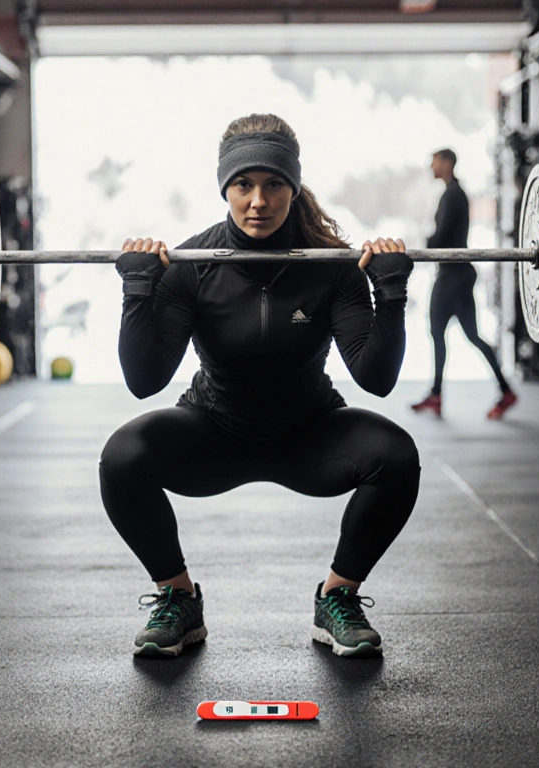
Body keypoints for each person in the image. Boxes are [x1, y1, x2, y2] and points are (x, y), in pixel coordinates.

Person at [100, 114, 421, 659]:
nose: (258, 201)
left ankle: (337, 598)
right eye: (243, 185)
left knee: (395, 455)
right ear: (224, 187)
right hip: (214, 430)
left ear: (293, 188)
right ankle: (177, 601)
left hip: (309, 434)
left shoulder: (331, 266)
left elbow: (376, 378)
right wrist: (137, 290)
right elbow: (144, 380)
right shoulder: (191, 264)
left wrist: (390, 293)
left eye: (274, 184)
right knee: (123, 456)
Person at [410, 149, 516, 420]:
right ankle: (501, 391)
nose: (430, 165)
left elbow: (443, 236)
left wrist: (428, 242)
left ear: (447, 163)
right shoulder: (452, 193)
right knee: (456, 333)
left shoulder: (453, 195)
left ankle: (441, 394)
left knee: (448, 333)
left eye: (434, 160)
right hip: (454, 274)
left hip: (453, 276)